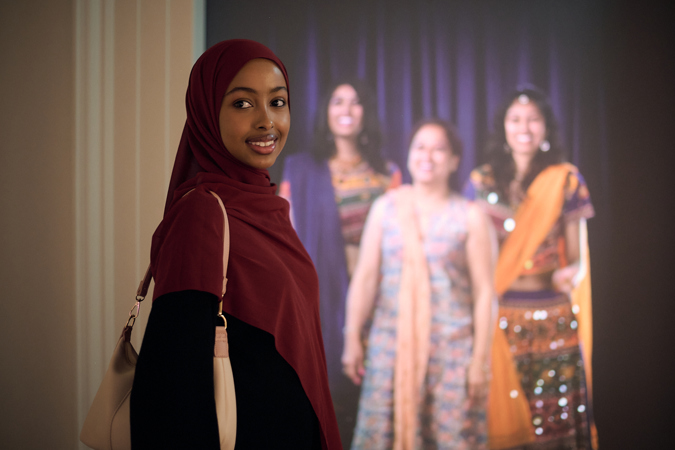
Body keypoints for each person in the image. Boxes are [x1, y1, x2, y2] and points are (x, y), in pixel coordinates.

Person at [130, 39, 341, 450]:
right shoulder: (203, 215)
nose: (267, 122)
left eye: (277, 102)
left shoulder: (268, 207)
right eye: (243, 104)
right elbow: (171, 383)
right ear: (207, 112)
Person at [342, 119, 495, 449]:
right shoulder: (386, 209)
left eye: (439, 149)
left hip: (452, 353)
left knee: (452, 439)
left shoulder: (470, 216)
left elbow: (485, 293)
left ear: (454, 161)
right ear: (409, 155)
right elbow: (366, 278)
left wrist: (480, 360)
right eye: (420, 147)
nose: (428, 156)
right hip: (390, 348)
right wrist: (352, 335)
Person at [464, 88, 597, 449]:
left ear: (546, 129)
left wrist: (574, 273)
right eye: (515, 119)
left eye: (533, 119)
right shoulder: (482, 181)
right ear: (503, 127)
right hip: (497, 316)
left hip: (551, 320)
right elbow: (468, 250)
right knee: (499, 419)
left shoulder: (565, 180)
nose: (525, 127)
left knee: (553, 422)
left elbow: (578, 258)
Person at [280, 80, 400, 447]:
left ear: (367, 114)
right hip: (319, 298)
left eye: (356, 103)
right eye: (338, 102)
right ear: (325, 112)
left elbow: (402, 240)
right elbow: (286, 233)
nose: (347, 110)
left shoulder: (388, 173)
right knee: (324, 394)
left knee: (376, 399)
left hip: (380, 301)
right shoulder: (300, 169)